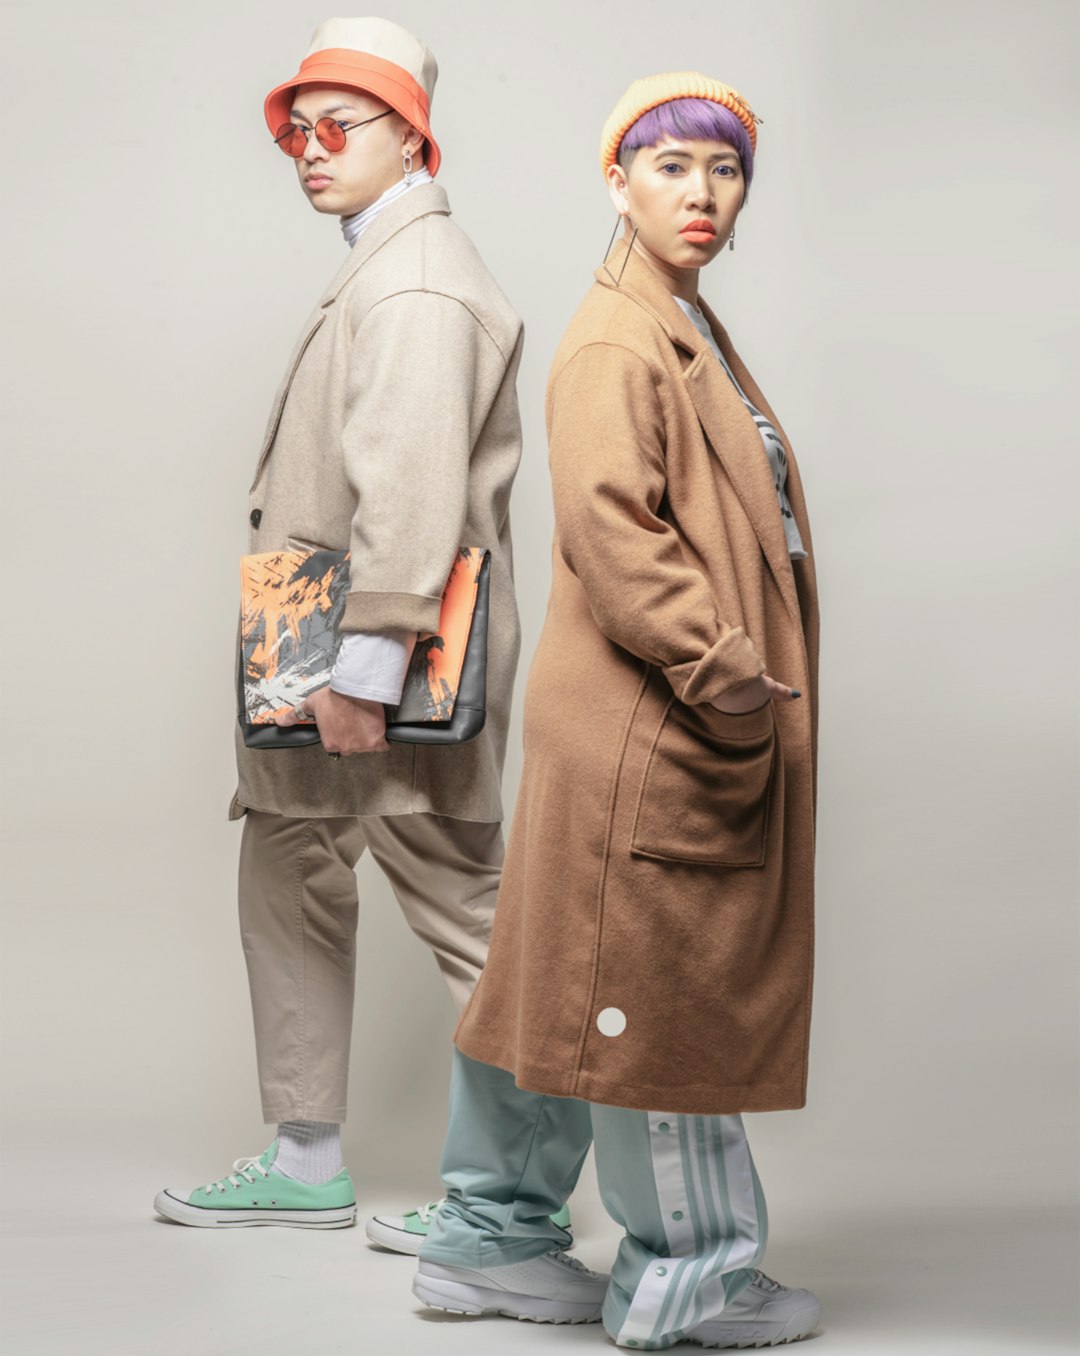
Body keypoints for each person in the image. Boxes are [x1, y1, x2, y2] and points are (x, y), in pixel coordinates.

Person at [412, 72, 824, 1350]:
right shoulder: (617, 338)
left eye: (726, 169)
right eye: (671, 166)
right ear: (617, 180)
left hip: (625, 721)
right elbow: (613, 532)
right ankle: (689, 1281)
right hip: (658, 721)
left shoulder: (673, 319)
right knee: (655, 989)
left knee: (558, 971)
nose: (703, 194)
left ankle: (488, 1238)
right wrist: (723, 673)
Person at [153, 16, 526, 1232]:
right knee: (291, 865)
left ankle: (522, 1202)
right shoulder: (384, 260)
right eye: (296, 132)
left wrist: (365, 671)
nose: (310, 149)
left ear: (411, 137)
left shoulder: (415, 280)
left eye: (339, 126)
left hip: (372, 663)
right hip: (317, 651)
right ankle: (309, 1161)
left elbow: (409, 482)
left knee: (472, 914)